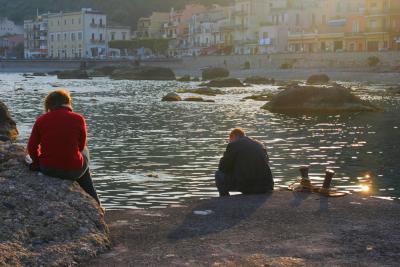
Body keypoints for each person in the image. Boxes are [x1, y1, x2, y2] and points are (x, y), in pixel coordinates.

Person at [27, 89, 101, 205]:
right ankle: (96, 203)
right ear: (67, 102)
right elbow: (81, 146)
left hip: (48, 169)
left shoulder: (41, 120)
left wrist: (37, 163)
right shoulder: (78, 118)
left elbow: (32, 147)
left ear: (49, 104)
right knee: (85, 151)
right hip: (73, 172)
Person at [215, 128, 274, 196]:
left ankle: (224, 199)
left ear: (234, 136)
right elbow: (266, 162)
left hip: (247, 186)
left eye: (229, 140)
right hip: (266, 186)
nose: (229, 142)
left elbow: (222, 167)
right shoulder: (259, 144)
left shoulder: (233, 145)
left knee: (219, 175)